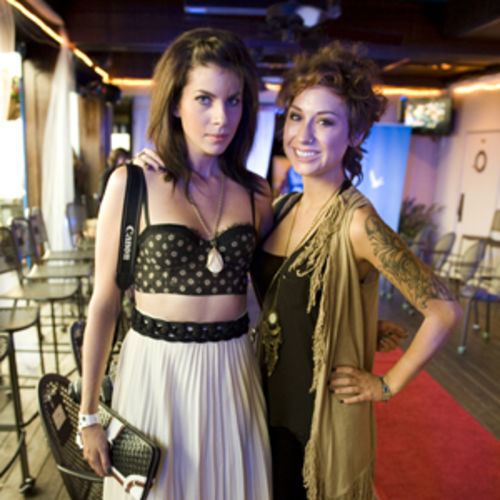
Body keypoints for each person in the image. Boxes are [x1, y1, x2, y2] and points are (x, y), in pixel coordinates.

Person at [249, 42, 462, 499]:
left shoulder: (357, 222)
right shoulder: (283, 207)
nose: (304, 134)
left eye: (325, 122)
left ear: (356, 133)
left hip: (313, 424)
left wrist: (386, 385)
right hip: (261, 407)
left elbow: (445, 311)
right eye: (296, 116)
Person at [78, 28, 274, 499]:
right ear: (175, 104)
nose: (221, 117)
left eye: (233, 100)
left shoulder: (256, 193)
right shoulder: (132, 183)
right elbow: (104, 303)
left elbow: (276, 289)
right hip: (155, 372)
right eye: (204, 99)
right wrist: (88, 415)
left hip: (232, 372)